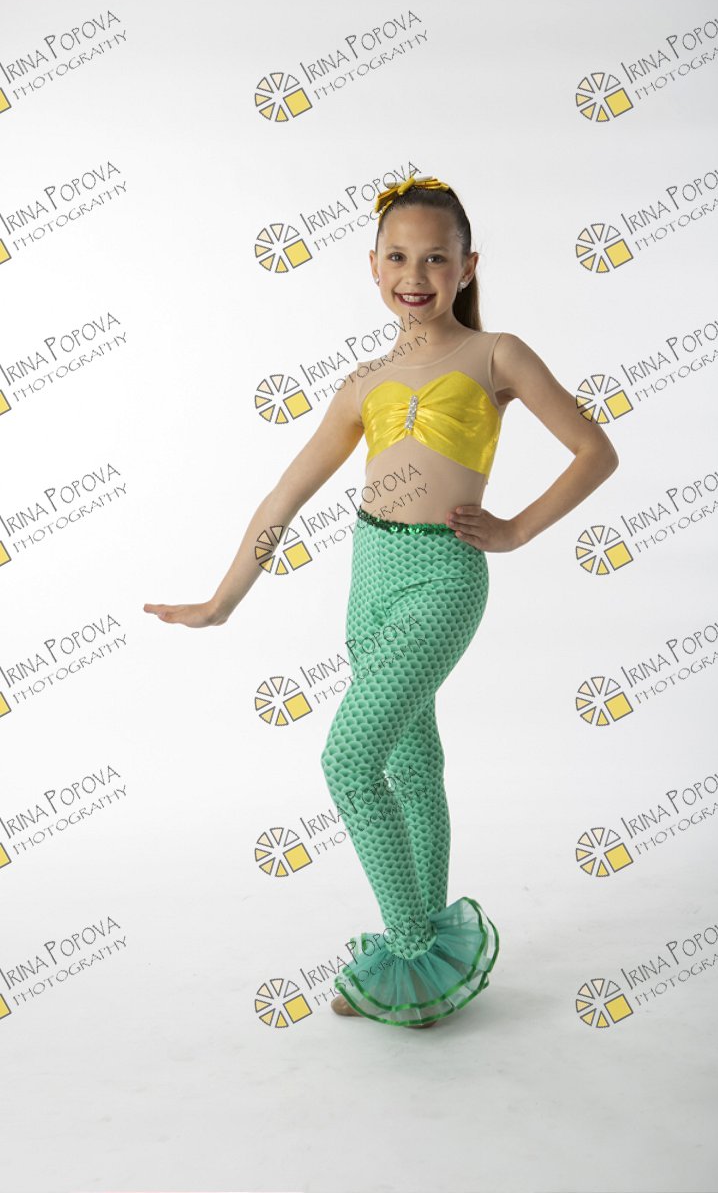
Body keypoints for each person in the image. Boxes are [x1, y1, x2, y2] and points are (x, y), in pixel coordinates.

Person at [143, 174, 619, 1030]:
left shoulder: (497, 355)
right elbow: (282, 499)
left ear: (468, 267)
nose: (415, 274)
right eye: (398, 257)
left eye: (436, 258)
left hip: (444, 576)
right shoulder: (363, 382)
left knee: (347, 762)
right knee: (411, 765)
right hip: (368, 577)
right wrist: (222, 601)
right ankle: (432, 954)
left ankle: (409, 952)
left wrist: (515, 530)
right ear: (372, 267)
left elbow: (595, 451)